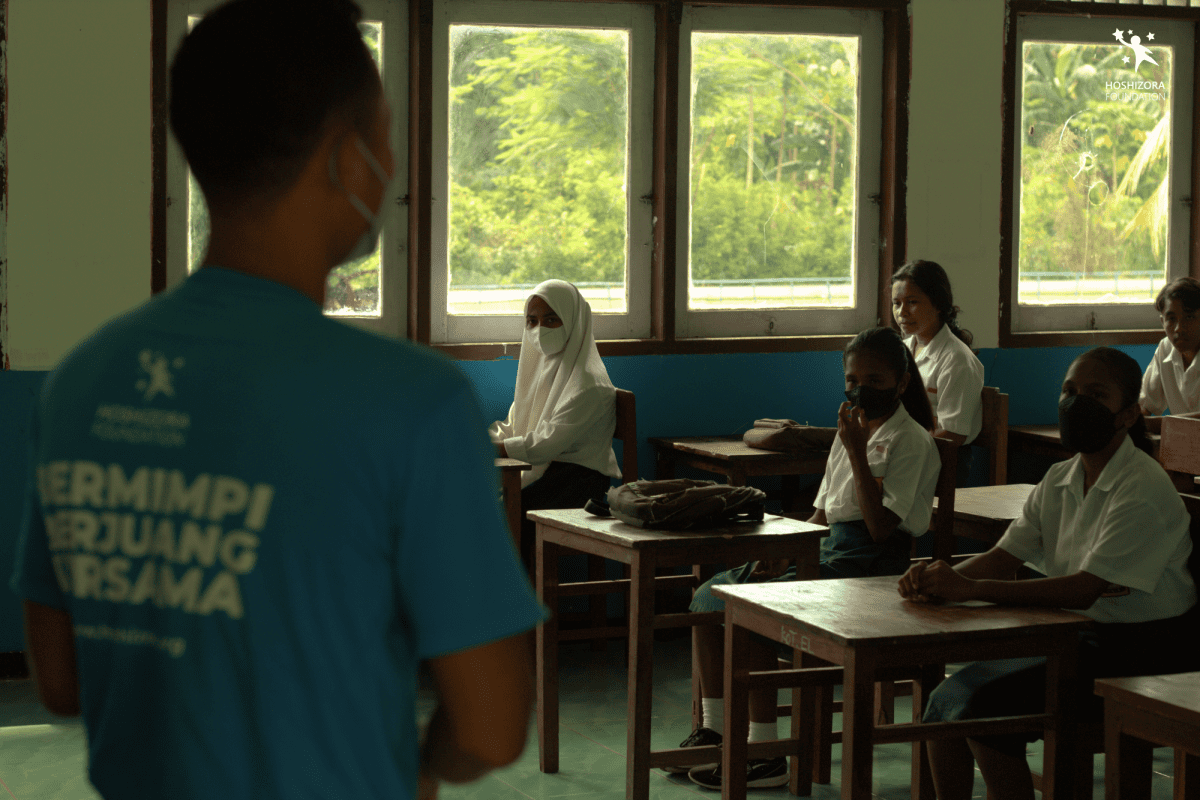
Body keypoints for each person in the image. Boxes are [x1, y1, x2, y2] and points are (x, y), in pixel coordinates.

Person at [8, 2, 545, 799]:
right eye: (386, 139)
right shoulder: (411, 403)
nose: (392, 169)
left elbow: (61, 680)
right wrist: (417, 768)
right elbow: (492, 728)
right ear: (344, 161)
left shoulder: (84, 381)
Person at [899, 346, 1197, 800]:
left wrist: (971, 587)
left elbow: (1083, 590)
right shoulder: (1060, 477)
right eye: (1069, 391)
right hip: (1075, 635)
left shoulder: (1142, 486)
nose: (1077, 403)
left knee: (983, 707)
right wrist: (938, 580)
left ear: (1128, 414)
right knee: (944, 701)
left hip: (1145, 646)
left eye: (1096, 394)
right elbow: (1004, 556)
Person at [675, 326, 940, 791]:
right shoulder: (849, 433)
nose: (861, 390)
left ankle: (767, 752)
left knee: (755, 610)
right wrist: (782, 554)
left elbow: (881, 530)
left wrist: (858, 452)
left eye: (876, 381)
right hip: (828, 551)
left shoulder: (911, 441)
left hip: (873, 566)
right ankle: (715, 731)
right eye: (853, 380)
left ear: (901, 384)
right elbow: (820, 514)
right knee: (708, 595)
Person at [490, 280, 622, 563]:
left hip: (576, 483)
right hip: (543, 472)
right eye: (532, 321)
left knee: (501, 518)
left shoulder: (590, 384)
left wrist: (495, 449)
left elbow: (545, 445)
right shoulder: (542, 368)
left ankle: (520, 603)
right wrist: (487, 438)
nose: (540, 330)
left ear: (574, 319)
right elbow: (515, 424)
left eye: (551, 319)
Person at [891, 260, 985, 460]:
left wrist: (900, 450)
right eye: (896, 303)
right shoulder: (902, 350)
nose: (902, 312)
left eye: (912, 302)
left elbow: (953, 434)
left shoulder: (957, 360)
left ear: (938, 304)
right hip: (906, 453)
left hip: (941, 460)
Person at [1140, 276, 1200, 428]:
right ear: (1162, 322)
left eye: (1189, 317)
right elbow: (1146, 405)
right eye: (1171, 319)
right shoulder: (1165, 349)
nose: (1178, 328)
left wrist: (1151, 424)